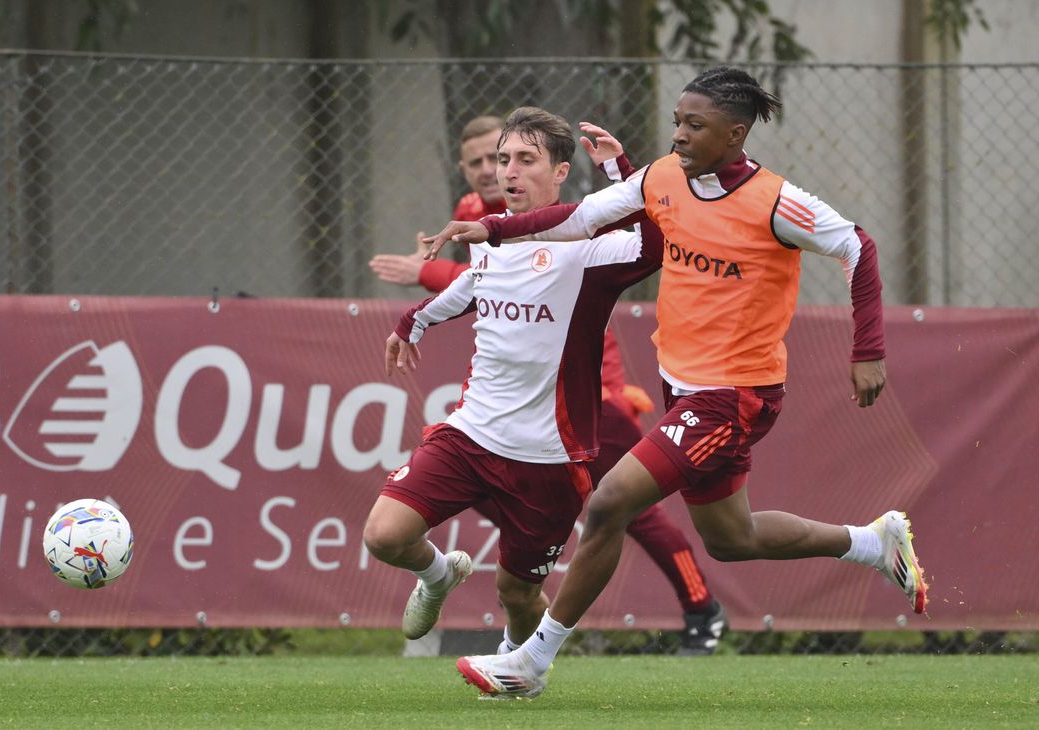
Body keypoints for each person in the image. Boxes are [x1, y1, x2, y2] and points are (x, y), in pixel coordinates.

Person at [423, 67, 928, 699]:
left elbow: (859, 246)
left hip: (735, 394)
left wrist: (869, 351)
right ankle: (871, 543)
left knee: (609, 503)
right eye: (678, 122)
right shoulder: (661, 175)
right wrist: (495, 228)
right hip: (682, 386)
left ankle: (533, 660)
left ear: (735, 134)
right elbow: (579, 218)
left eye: (696, 125)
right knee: (730, 539)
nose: (681, 135)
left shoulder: (776, 201)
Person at [369, 114, 727, 654]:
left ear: (562, 171)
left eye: (524, 160)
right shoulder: (489, 237)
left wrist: (618, 167)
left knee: (517, 592)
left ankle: (525, 669)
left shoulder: (589, 248)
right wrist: (413, 321)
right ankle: (440, 575)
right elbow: (473, 284)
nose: (505, 171)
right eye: (501, 159)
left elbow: (653, 243)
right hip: (470, 435)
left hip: (549, 459)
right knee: (385, 535)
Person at [368, 116, 507, 292]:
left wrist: (429, 272)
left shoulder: (537, 205)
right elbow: (486, 279)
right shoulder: (467, 211)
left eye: (495, 158)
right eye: (476, 163)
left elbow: (509, 276)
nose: (486, 170)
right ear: (464, 171)